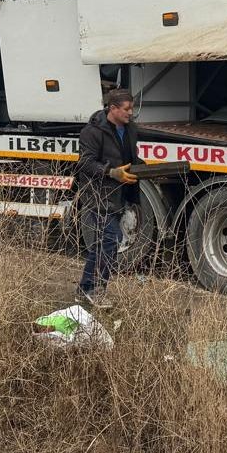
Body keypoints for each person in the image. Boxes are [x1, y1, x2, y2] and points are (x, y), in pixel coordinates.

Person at [73, 88, 143, 310]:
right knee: (109, 240)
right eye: (126, 109)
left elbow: (131, 157)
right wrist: (111, 172)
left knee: (105, 244)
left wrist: (147, 168)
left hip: (120, 194)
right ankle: (95, 290)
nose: (130, 113)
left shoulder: (131, 129)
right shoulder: (92, 132)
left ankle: (85, 289)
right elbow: (84, 163)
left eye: (131, 108)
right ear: (112, 108)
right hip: (99, 194)